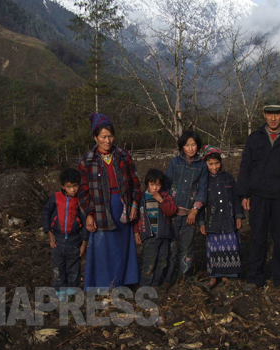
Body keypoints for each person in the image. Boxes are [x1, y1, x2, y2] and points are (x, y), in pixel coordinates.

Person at [236, 98, 280, 291]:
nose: (273, 117)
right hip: (259, 197)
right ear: (264, 115)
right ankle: (254, 278)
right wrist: (244, 194)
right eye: (269, 113)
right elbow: (246, 168)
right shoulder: (254, 139)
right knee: (258, 237)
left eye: (277, 113)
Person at [77, 113, 141, 293]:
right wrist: (89, 214)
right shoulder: (87, 161)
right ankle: (103, 285)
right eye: (103, 137)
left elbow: (134, 182)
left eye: (110, 136)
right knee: (102, 247)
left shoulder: (123, 155)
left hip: (122, 206)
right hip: (100, 209)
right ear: (95, 137)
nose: (107, 140)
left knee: (123, 247)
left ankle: (125, 281)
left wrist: (134, 205)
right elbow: (83, 191)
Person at [161, 131, 208, 289]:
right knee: (171, 245)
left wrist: (195, 210)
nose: (190, 148)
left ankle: (184, 276)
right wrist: (168, 206)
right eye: (187, 145)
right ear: (182, 146)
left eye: (193, 144)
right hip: (173, 213)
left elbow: (202, 190)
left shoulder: (202, 165)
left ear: (198, 146)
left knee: (187, 246)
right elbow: (166, 185)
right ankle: (168, 276)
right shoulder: (175, 162)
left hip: (190, 214)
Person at [197, 146, 244, 289]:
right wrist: (201, 222)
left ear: (220, 163)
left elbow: (236, 198)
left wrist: (239, 216)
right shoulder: (203, 181)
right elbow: (200, 202)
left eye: (216, 163)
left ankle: (227, 276)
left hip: (228, 220)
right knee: (214, 250)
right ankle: (213, 277)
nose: (214, 167)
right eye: (210, 164)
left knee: (229, 248)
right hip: (213, 222)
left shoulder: (228, 177)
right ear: (205, 164)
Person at [42, 168, 88, 303]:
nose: (73, 189)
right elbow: (46, 213)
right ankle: (59, 291)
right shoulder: (55, 198)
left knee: (74, 268)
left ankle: (72, 291)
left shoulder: (81, 200)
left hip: (75, 240)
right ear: (63, 186)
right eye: (69, 187)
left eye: (75, 186)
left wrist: (84, 242)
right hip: (57, 239)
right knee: (58, 268)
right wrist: (49, 233)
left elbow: (85, 221)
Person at [134, 168, 178, 288]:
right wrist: (136, 233)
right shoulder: (142, 198)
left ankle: (156, 284)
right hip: (149, 235)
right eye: (152, 184)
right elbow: (136, 217)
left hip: (164, 234)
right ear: (147, 184)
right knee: (150, 262)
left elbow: (172, 211)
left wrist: (160, 200)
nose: (155, 188)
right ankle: (145, 286)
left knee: (163, 261)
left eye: (158, 185)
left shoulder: (164, 196)